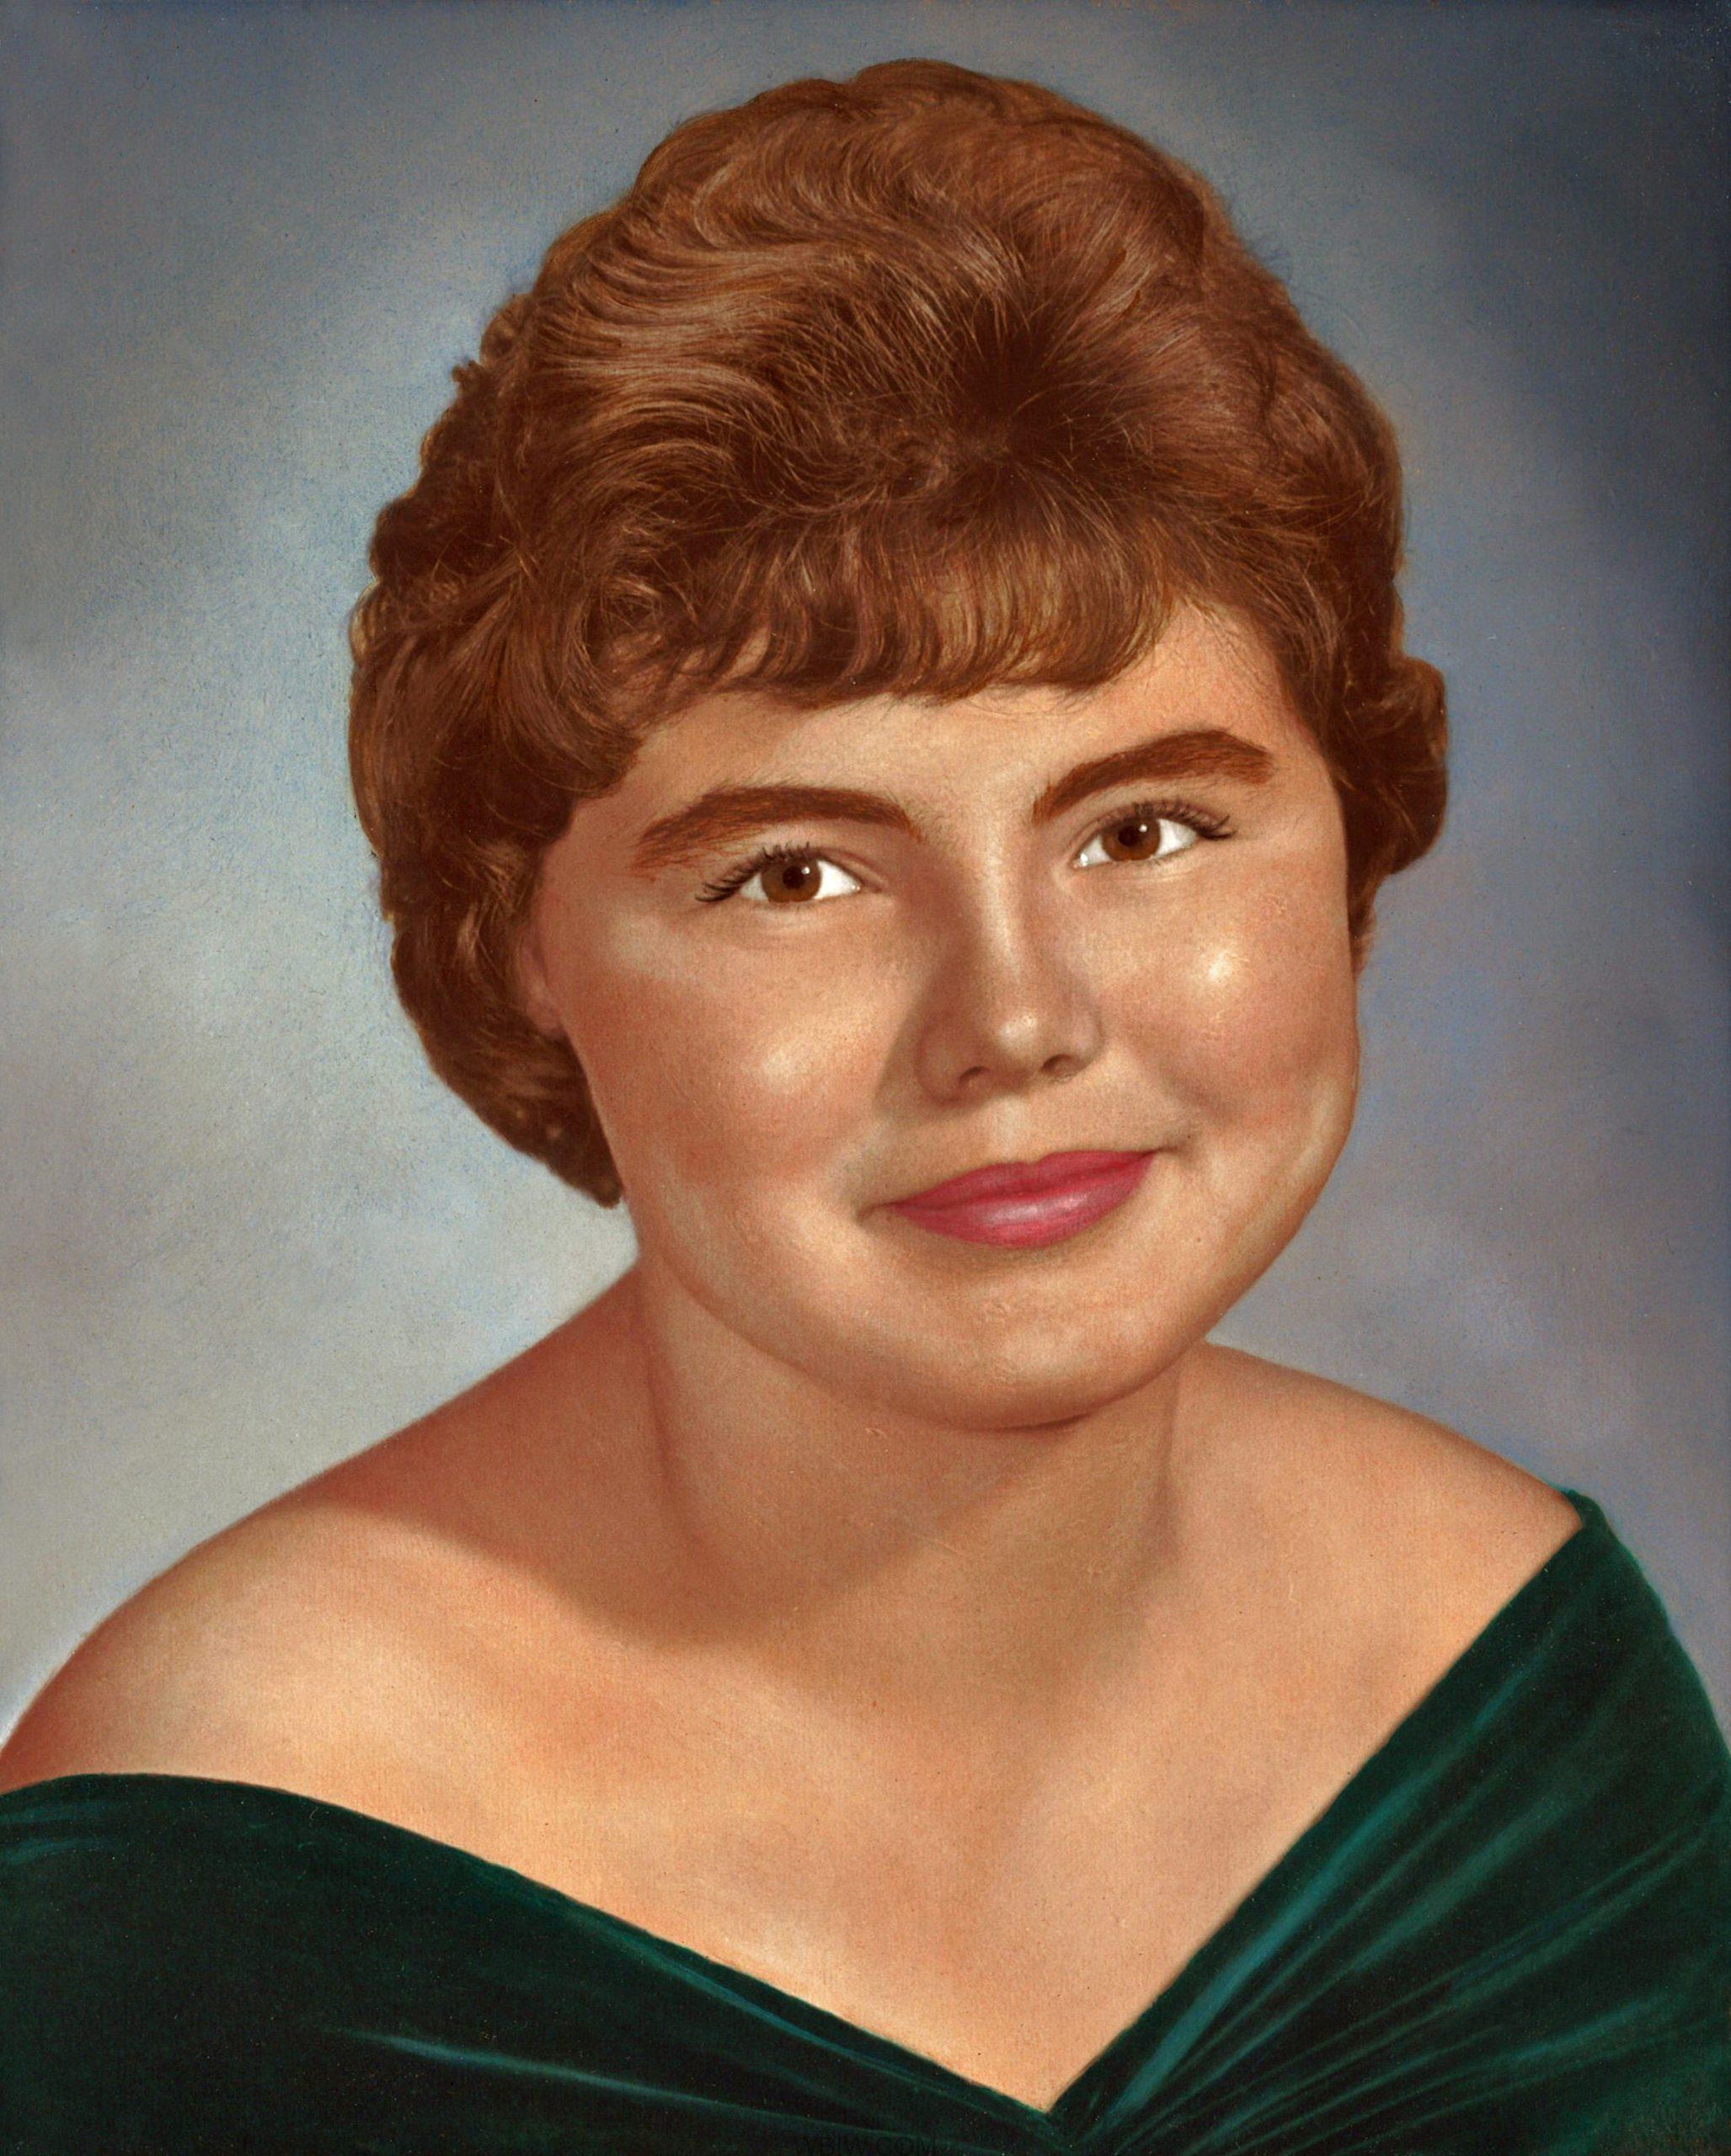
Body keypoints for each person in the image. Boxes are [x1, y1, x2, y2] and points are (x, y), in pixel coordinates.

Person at [0, 58, 1724, 2155]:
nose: (1012, 1017)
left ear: (1349, 831)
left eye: (1142, 830)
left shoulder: (1529, 1703)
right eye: (795, 874)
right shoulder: (198, 1868)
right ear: (520, 941)